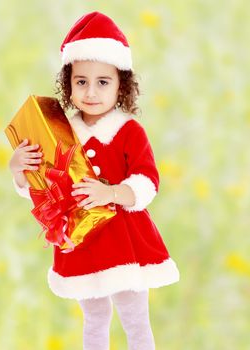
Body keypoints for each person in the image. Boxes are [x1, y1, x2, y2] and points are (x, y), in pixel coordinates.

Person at [9, 11, 180, 350]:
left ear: (121, 85)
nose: (90, 91)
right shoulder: (59, 131)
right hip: (82, 243)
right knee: (95, 319)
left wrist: (112, 192)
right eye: (81, 81)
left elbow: (147, 181)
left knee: (135, 319)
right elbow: (48, 193)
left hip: (125, 240)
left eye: (103, 81)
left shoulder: (129, 131)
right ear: (68, 84)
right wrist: (19, 170)